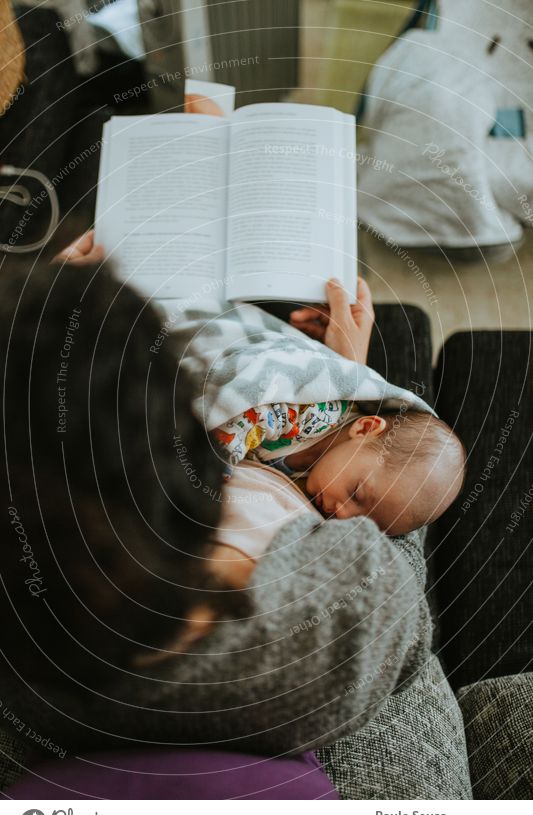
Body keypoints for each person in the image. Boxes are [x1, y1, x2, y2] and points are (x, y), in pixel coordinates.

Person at [0, 255, 432, 762]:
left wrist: (26, 342)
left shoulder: (25, 678)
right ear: (190, 451)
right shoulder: (358, 606)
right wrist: (348, 381)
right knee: (407, 342)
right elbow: (405, 515)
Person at [213, 279, 466, 536]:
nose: (343, 514)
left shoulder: (316, 480)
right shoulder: (318, 413)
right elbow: (251, 416)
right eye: (356, 493)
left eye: (362, 523)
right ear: (366, 428)